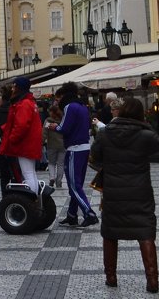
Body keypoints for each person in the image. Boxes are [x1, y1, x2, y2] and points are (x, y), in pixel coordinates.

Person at [90, 97, 159, 292]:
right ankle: (152, 280)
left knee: (110, 232)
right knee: (145, 231)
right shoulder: (145, 134)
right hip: (140, 192)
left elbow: (95, 156)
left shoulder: (105, 134)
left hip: (113, 192)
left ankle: (111, 277)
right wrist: (144, 124)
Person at [53, 81, 97, 227]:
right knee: (76, 183)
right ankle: (72, 215)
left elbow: (64, 128)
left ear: (64, 95)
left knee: (73, 185)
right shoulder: (83, 106)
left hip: (74, 149)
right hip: (85, 147)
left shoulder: (69, 106)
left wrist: (54, 126)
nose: (57, 102)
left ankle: (89, 213)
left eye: (58, 98)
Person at [0, 77, 43, 194]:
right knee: (31, 173)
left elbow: (21, 125)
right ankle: (35, 200)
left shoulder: (23, 104)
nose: (12, 89)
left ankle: (31, 200)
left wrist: (12, 139)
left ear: (18, 88)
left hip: (25, 144)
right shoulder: (30, 102)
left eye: (14, 86)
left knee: (27, 173)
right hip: (31, 142)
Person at [43, 104, 65, 190]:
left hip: (51, 145)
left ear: (52, 112)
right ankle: (59, 181)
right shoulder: (63, 120)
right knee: (60, 164)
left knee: (51, 163)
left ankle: (52, 178)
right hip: (63, 145)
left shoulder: (48, 121)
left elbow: (44, 133)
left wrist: (41, 142)